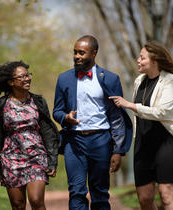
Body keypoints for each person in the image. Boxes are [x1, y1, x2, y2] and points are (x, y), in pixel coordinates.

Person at [53, 35, 133, 209]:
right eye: (75, 52)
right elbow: (56, 111)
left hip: (101, 141)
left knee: (100, 193)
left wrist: (118, 150)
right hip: (74, 142)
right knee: (76, 191)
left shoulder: (110, 79)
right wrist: (65, 118)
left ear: (94, 53)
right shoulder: (64, 79)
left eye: (81, 52)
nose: (77, 56)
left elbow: (117, 117)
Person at [109, 41, 173, 210]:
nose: (138, 60)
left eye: (142, 57)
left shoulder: (171, 80)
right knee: (144, 199)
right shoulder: (139, 81)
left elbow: (163, 112)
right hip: (143, 144)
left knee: (166, 195)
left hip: (167, 142)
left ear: (155, 61)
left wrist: (130, 105)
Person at [0, 61, 60, 210]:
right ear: (11, 82)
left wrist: (52, 160)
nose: (27, 79)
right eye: (22, 77)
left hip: (36, 155)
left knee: (36, 200)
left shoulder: (38, 101)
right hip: (11, 158)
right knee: (18, 205)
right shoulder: (1, 105)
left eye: (28, 75)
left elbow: (47, 131)